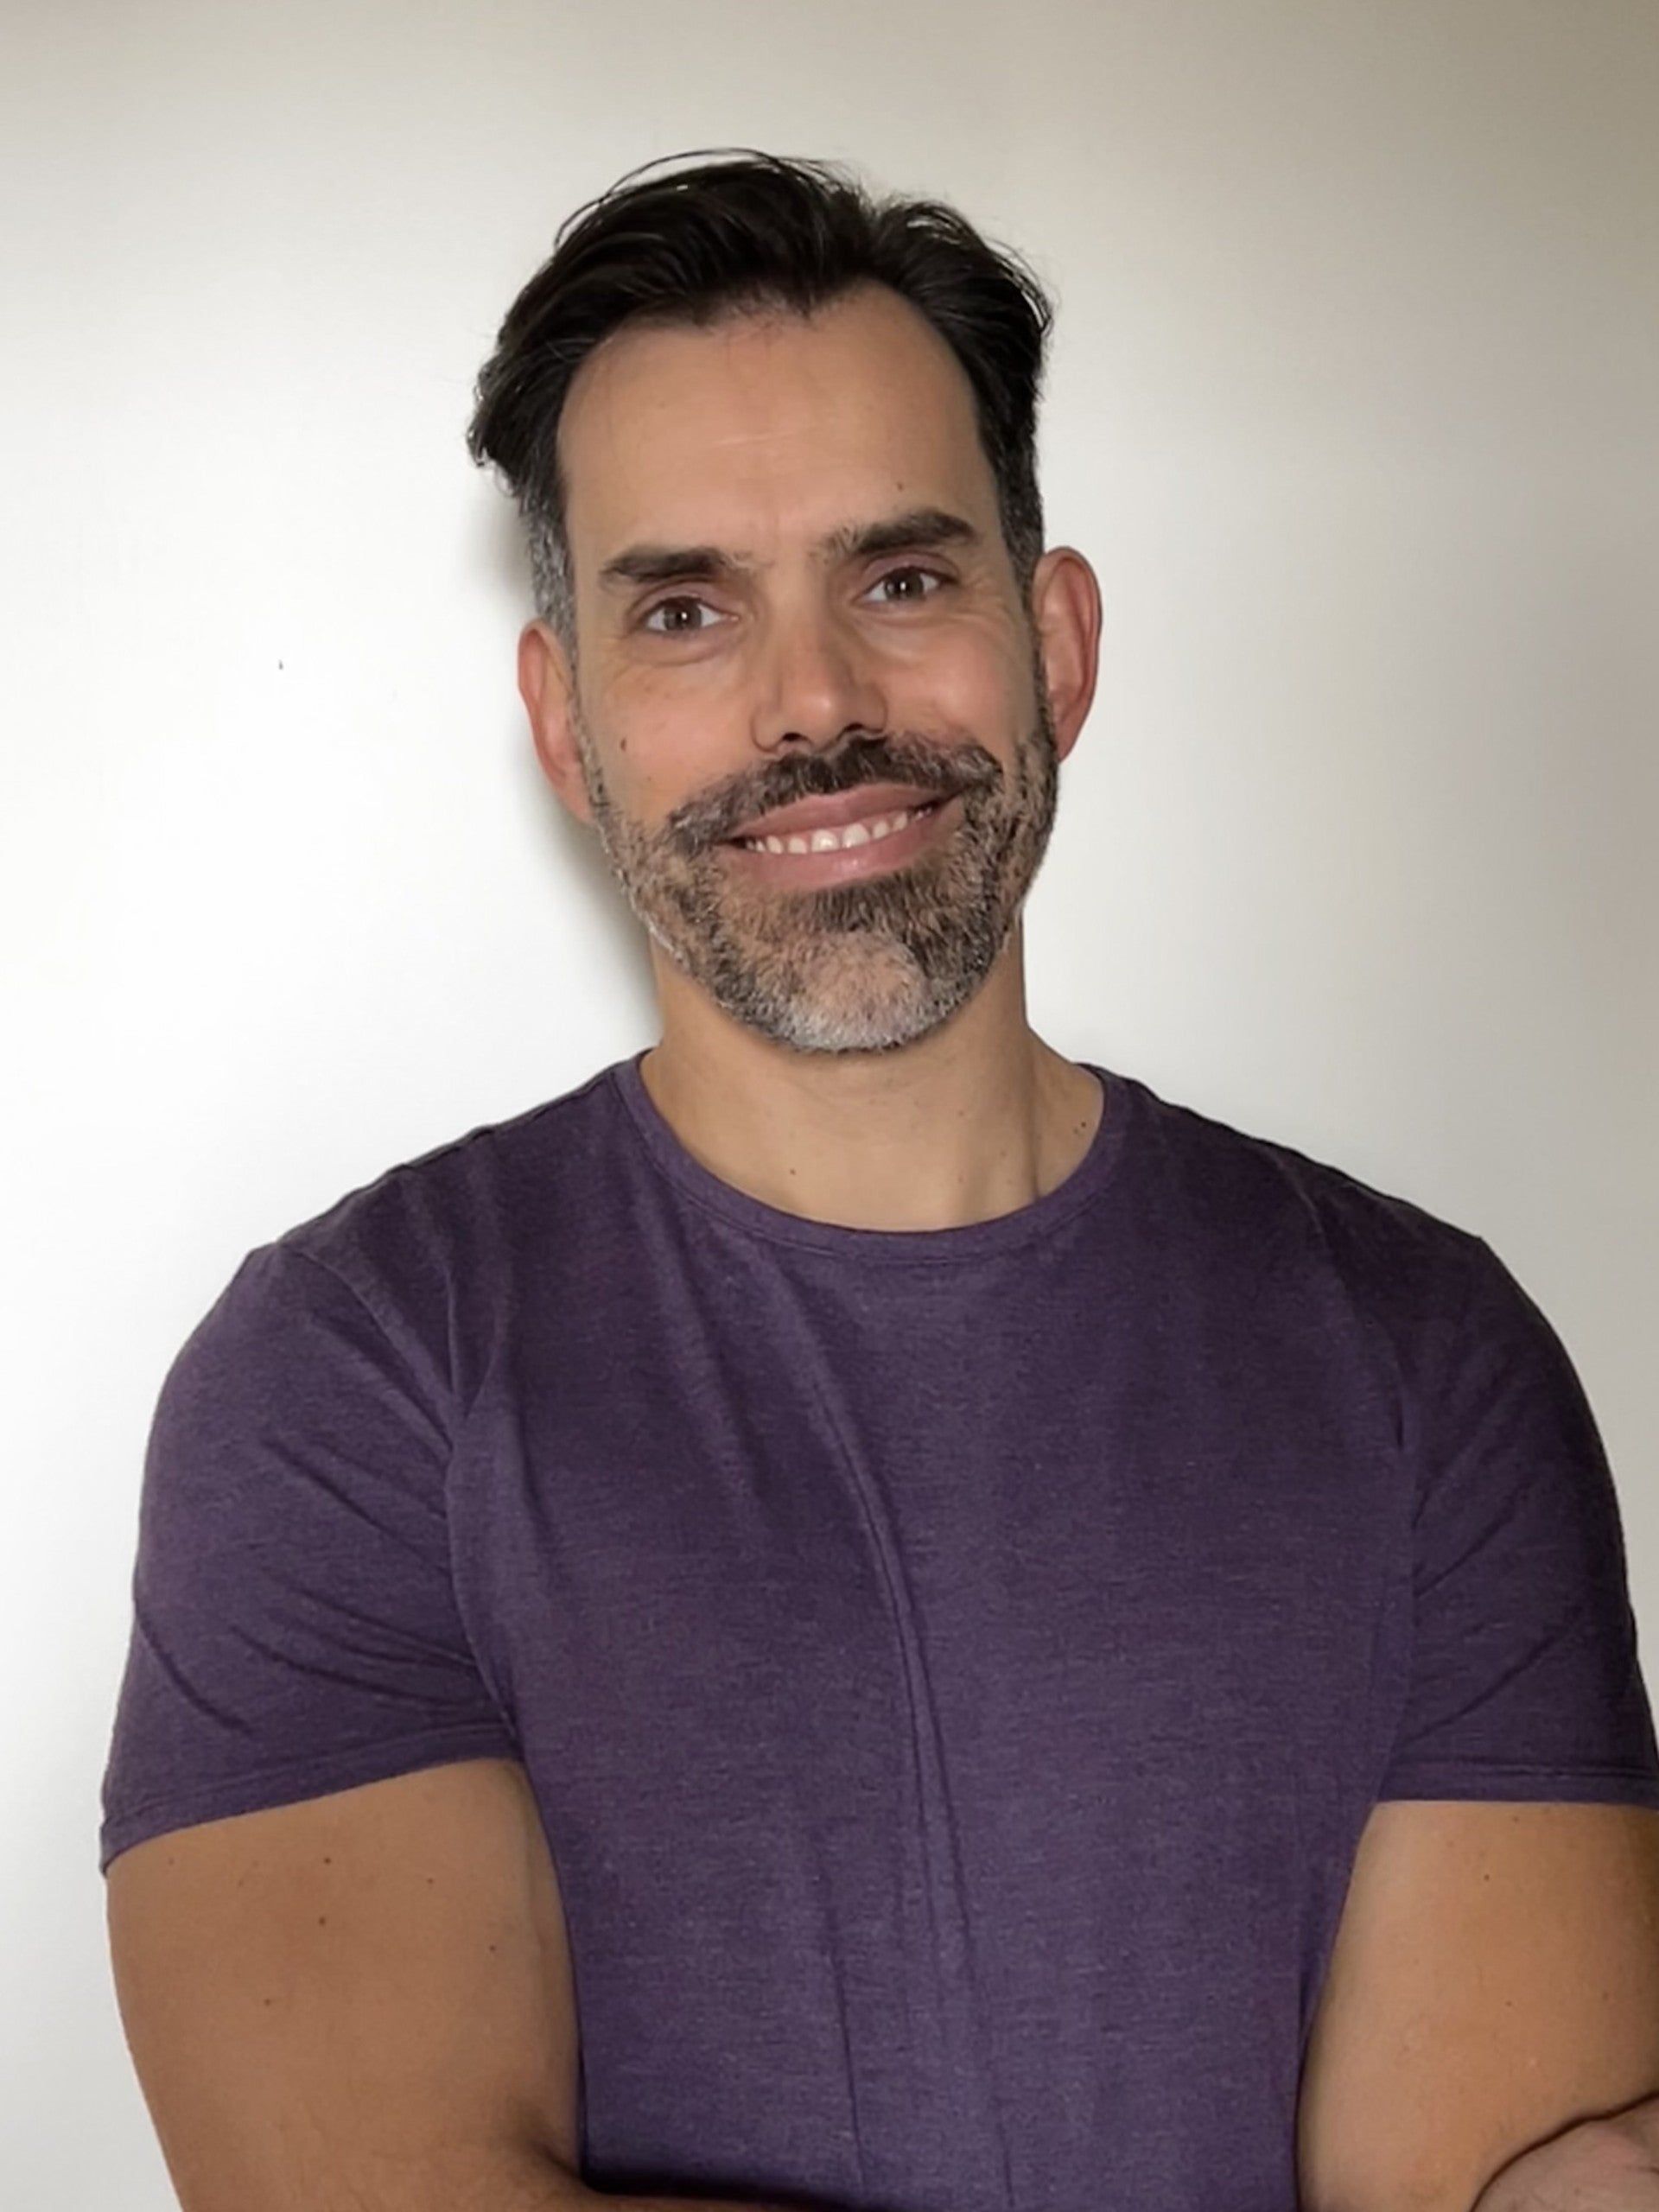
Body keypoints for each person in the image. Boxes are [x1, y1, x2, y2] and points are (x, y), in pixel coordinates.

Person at [101, 150, 1659, 2212]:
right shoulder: (352, 1378)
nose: (817, 702)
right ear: (567, 728)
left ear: (1059, 643)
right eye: (685, 609)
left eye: (904, 579)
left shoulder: (1426, 1358)